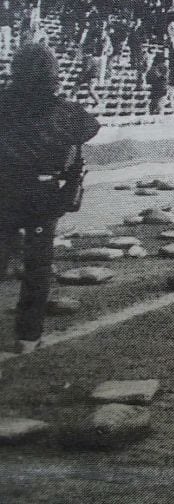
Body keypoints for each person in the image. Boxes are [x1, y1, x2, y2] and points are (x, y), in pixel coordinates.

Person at [0, 44, 101, 353]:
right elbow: (88, 130)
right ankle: (28, 335)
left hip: (4, 190)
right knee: (38, 265)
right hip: (43, 193)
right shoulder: (66, 112)